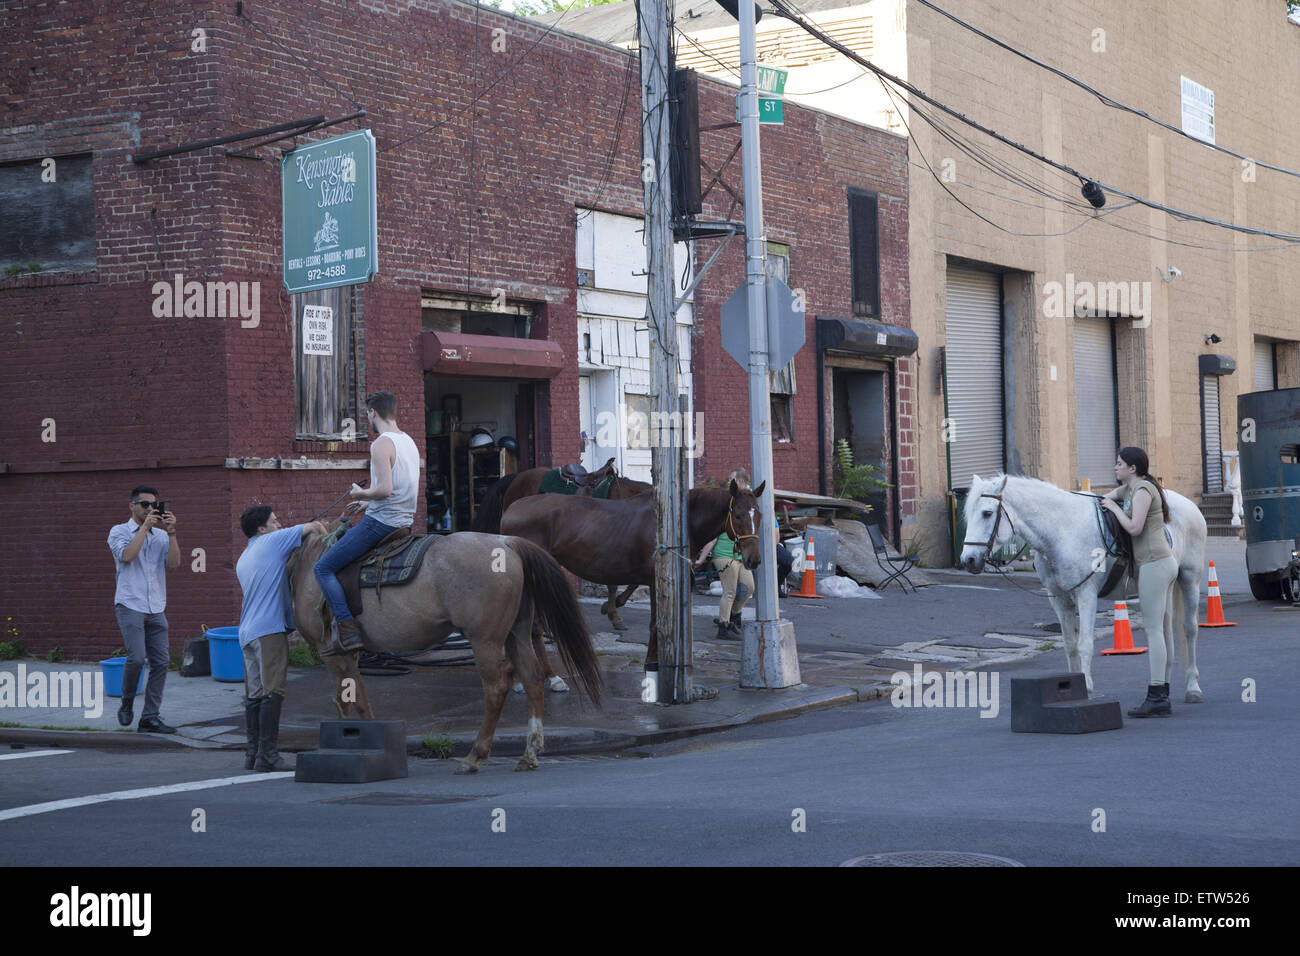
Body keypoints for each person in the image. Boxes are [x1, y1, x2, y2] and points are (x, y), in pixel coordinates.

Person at [313, 390, 421, 656]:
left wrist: (360, 493)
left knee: (322, 568)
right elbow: (399, 488)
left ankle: (348, 632)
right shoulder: (408, 441)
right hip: (404, 521)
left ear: (373, 413)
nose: (368, 419)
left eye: (367, 415)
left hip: (381, 524)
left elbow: (384, 489)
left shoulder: (380, 444)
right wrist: (367, 504)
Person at [236, 505, 327, 771]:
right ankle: (269, 756)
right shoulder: (272, 540)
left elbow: (280, 571)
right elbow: (316, 528)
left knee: (255, 694)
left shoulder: (247, 554)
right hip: (268, 630)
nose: (280, 524)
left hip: (246, 633)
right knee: (273, 690)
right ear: (262, 529)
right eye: (275, 521)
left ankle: (253, 755)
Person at [1100, 446, 1177, 718]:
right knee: (1162, 628)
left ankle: (1157, 696)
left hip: (1155, 563)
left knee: (1154, 629)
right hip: (1158, 562)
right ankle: (1163, 692)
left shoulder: (1143, 490)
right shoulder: (1131, 489)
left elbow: (1134, 527)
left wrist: (1113, 508)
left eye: (1119, 463)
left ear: (1133, 468)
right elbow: (1104, 498)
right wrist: (1110, 499)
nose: (1115, 467)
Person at [107, 485, 180, 733]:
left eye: (154, 505)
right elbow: (126, 556)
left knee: (161, 662)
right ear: (132, 506)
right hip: (130, 603)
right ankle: (126, 702)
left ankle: (149, 718)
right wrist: (145, 528)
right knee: (137, 658)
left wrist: (171, 534)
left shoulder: (160, 536)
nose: (150, 509)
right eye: (144, 504)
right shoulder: (118, 531)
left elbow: (175, 563)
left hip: (156, 606)